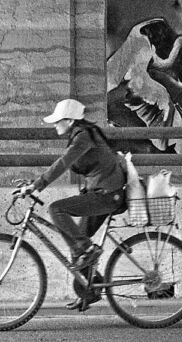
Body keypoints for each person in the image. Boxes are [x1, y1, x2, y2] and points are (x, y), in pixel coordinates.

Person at [18, 98, 127, 310]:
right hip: (104, 193)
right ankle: (90, 290)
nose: (55, 125)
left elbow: (64, 162)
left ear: (69, 120)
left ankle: (88, 254)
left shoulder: (83, 137)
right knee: (76, 242)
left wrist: (37, 185)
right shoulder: (84, 133)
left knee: (56, 209)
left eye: (58, 121)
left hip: (107, 195)